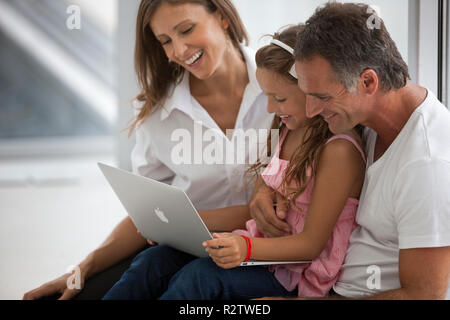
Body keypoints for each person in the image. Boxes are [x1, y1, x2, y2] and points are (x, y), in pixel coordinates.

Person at [22, 0, 273, 300]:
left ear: (221, 16)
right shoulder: (159, 111)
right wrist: (84, 266)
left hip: (267, 254)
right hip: (181, 252)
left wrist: (187, 221)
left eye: (187, 29)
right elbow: (147, 217)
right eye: (165, 41)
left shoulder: (284, 91)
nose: (179, 51)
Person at [102, 24, 366, 300]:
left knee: (199, 278)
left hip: (291, 271)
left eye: (279, 98)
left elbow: (310, 246)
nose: (270, 109)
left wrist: (245, 248)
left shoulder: (338, 152)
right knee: (154, 261)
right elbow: (265, 195)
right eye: (267, 97)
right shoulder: (288, 129)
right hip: (258, 249)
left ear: (311, 88)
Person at [258, 2, 450, 300]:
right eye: (307, 94)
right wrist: (267, 191)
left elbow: (422, 295)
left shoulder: (427, 163)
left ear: (368, 81)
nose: (311, 110)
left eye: (321, 96)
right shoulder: (368, 116)